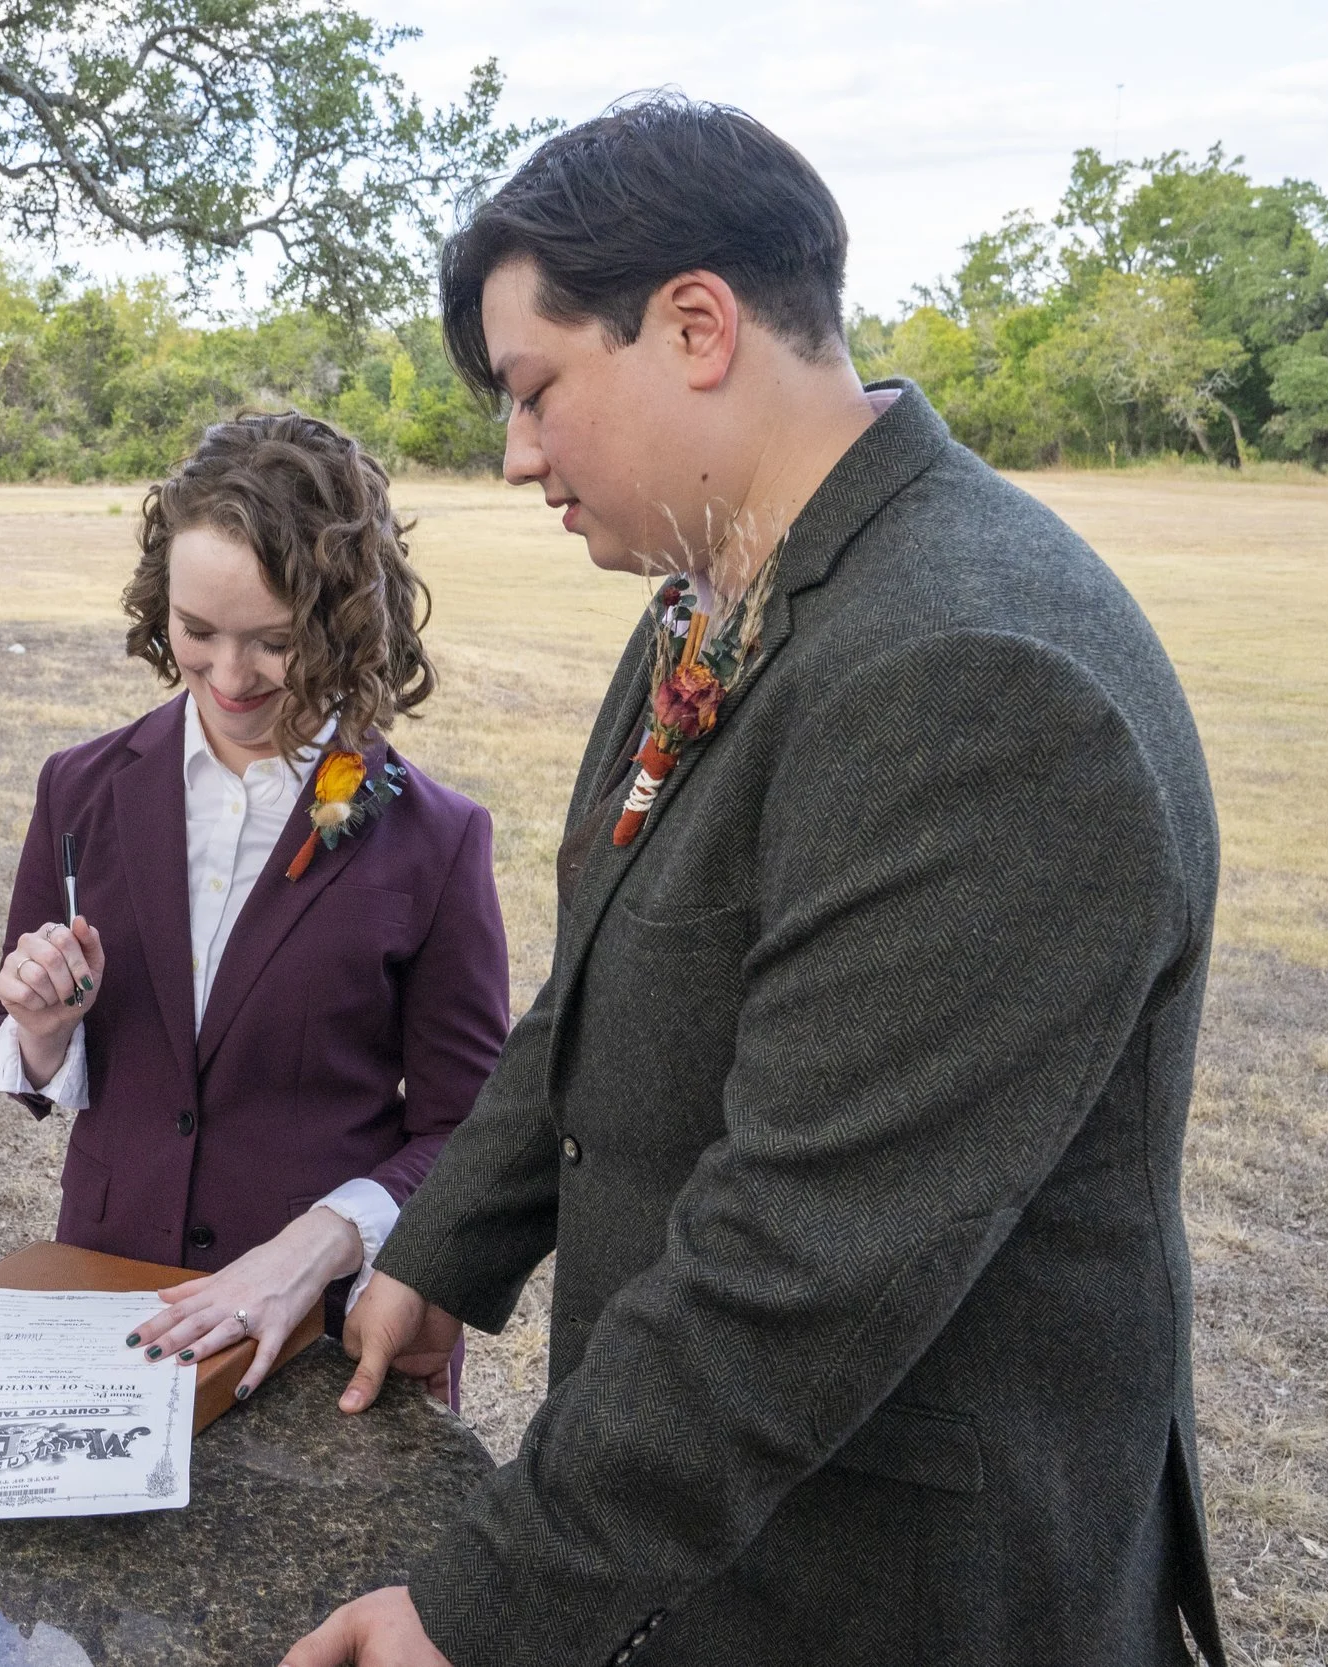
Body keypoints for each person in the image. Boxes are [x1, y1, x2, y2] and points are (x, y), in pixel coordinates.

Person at [291, 96, 1225, 1667]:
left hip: (891, 1571)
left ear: (698, 324)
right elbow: (594, 986)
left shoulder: (974, 671)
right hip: (741, 1539)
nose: (516, 456)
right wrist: (443, 1246)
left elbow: (809, 1250)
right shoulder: (717, 589)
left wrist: (488, 1608)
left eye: (534, 393)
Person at [0, 412, 508, 1399]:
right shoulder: (78, 788)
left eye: (273, 641)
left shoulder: (436, 836)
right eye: (196, 630)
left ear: (350, 616)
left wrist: (322, 1238)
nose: (227, 676)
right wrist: (41, 1029)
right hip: (112, 1304)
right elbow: (35, 1075)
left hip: (315, 1332)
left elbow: (467, 1130)